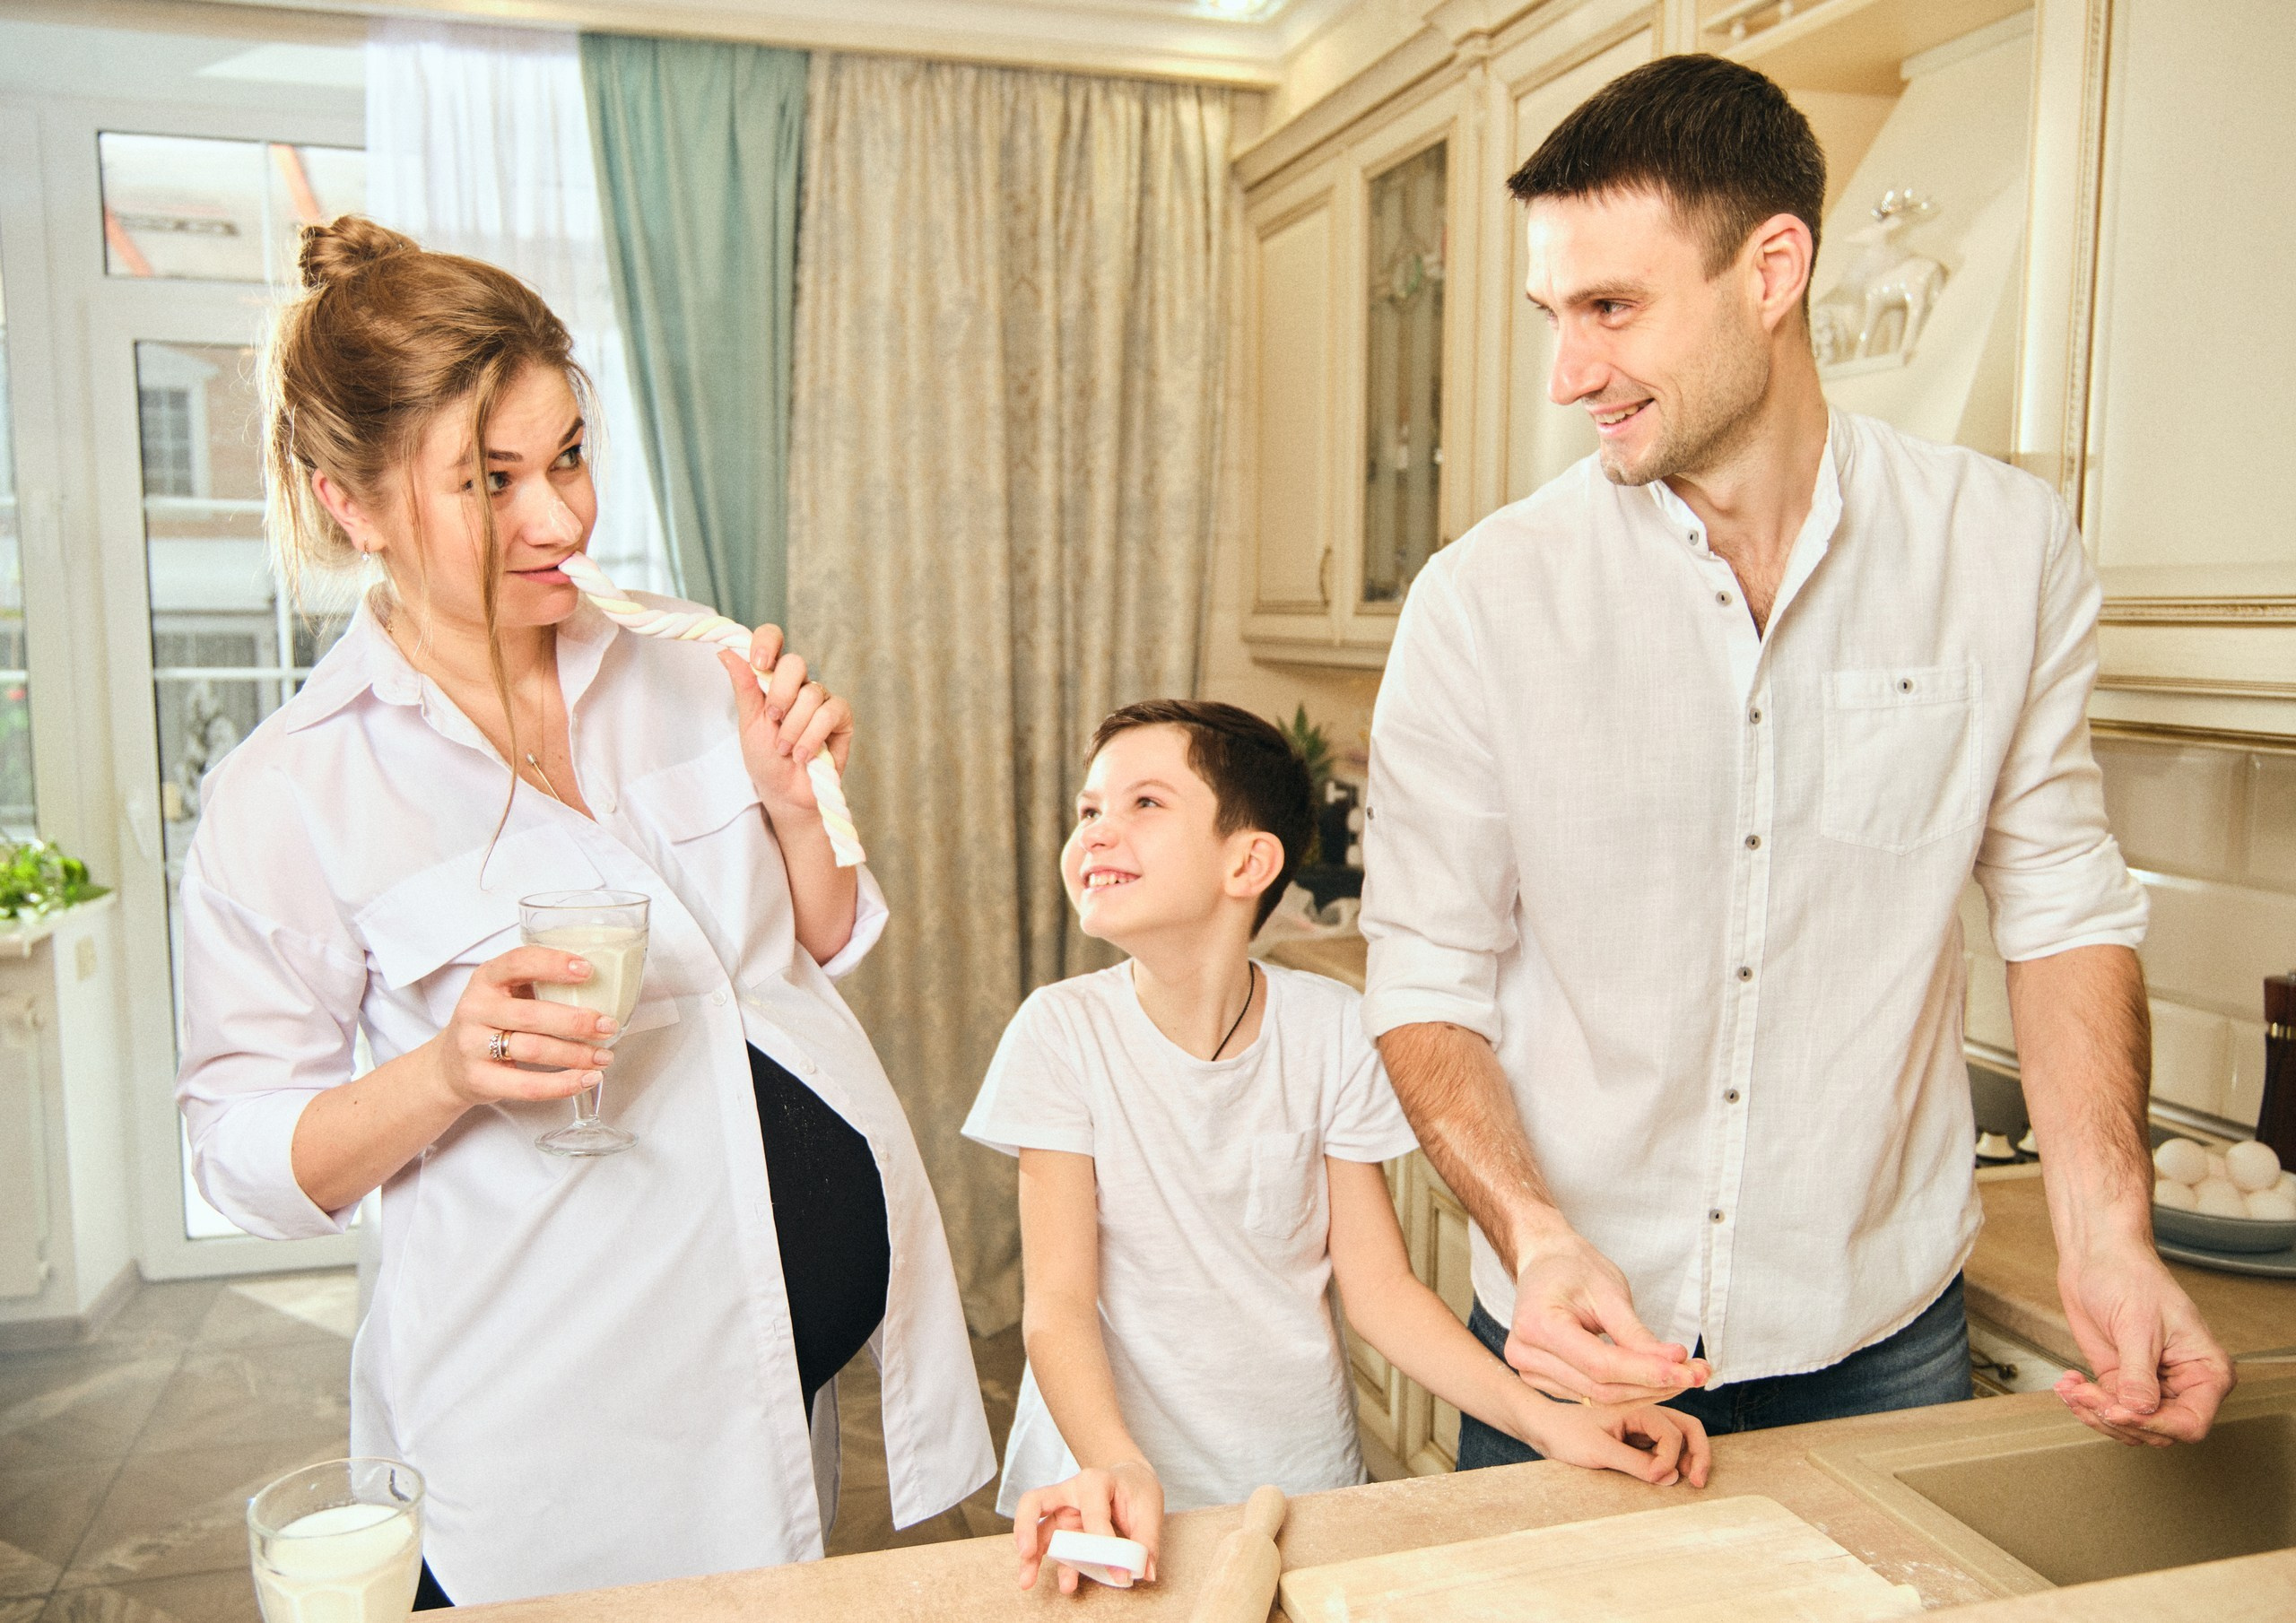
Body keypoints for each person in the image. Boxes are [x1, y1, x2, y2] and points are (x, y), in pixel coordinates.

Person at [1361, 54, 2232, 1464]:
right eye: (1555, 314)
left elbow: (2063, 903)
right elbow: (1425, 976)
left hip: (1884, 1335)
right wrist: (1532, 1232)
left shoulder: (2000, 554)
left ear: (1773, 271)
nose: (1570, 370)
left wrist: (2111, 1234)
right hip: (1580, 1345)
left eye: (1611, 308)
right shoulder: (1484, 603)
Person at [175, 218, 993, 1607]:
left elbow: (819, 944)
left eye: (567, 458)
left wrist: (800, 806)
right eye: (491, 480)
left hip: (765, 1387)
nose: (560, 516)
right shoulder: (291, 792)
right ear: (348, 504)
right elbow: (238, 1157)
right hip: (549, 1451)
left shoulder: (689, 660)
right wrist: (441, 1072)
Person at [964, 700, 1711, 1595]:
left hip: (1295, 1481)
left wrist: (1548, 1419)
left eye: (1144, 804)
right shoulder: (1059, 1035)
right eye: (1089, 810)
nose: (1096, 831)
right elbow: (1056, 1302)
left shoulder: (1330, 1033)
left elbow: (1381, 1291)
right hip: (1110, 1487)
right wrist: (1116, 1460)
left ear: (1248, 861)